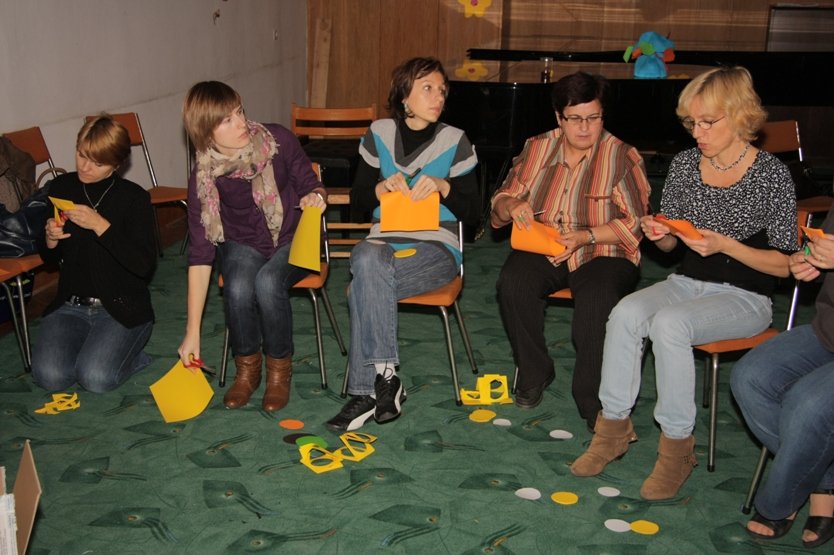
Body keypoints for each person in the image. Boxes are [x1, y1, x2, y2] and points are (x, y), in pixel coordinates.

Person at [570, 66, 798, 501]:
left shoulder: (771, 175)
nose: (697, 132)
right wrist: (661, 233)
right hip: (687, 282)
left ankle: (677, 449)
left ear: (740, 115)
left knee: (670, 324)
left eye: (708, 122)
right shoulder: (686, 164)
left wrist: (725, 245)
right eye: (692, 122)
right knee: (626, 312)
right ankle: (612, 429)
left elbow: (785, 266)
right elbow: (673, 247)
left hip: (746, 297)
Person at [325, 57, 479, 432]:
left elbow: (474, 214)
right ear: (404, 96)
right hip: (382, 242)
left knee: (363, 285)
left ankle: (366, 390)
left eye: (442, 90)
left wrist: (444, 187)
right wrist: (380, 188)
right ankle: (386, 379)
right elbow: (358, 203)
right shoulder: (378, 133)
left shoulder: (455, 140)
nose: (438, 97)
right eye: (427, 88)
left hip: (437, 246)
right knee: (367, 258)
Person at [490, 71, 651, 429]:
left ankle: (592, 401)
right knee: (514, 283)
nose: (584, 128)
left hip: (602, 248)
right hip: (546, 242)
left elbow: (636, 222)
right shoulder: (537, 147)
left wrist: (586, 237)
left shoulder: (622, 156)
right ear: (558, 117)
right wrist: (511, 205)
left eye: (593, 118)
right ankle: (534, 371)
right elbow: (501, 199)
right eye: (575, 118)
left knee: (596, 300)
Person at [178, 81, 326, 412]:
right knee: (238, 286)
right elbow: (200, 255)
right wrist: (192, 331)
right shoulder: (204, 177)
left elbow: (311, 183)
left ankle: (279, 372)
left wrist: (315, 196)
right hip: (244, 242)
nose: (241, 123)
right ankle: (247, 370)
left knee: (268, 282)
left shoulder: (277, 140)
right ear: (205, 133)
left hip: (293, 235)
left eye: (239, 111)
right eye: (227, 120)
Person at [731, 208, 834, 549]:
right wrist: (808, 262)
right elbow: (819, 256)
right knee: (750, 377)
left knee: (808, 404)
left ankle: (778, 503)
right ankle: (825, 483)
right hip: (828, 330)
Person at [32, 115, 156, 392]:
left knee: (95, 379)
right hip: (71, 305)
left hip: (121, 307)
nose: (85, 167)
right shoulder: (62, 187)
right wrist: (50, 239)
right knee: (50, 377)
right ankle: (95, 348)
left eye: (97, 163)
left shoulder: (134, 198)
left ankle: (132, 356)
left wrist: (101, 226)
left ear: (117, 164)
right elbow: (49, 259)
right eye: (81, 155)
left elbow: (143, 265)